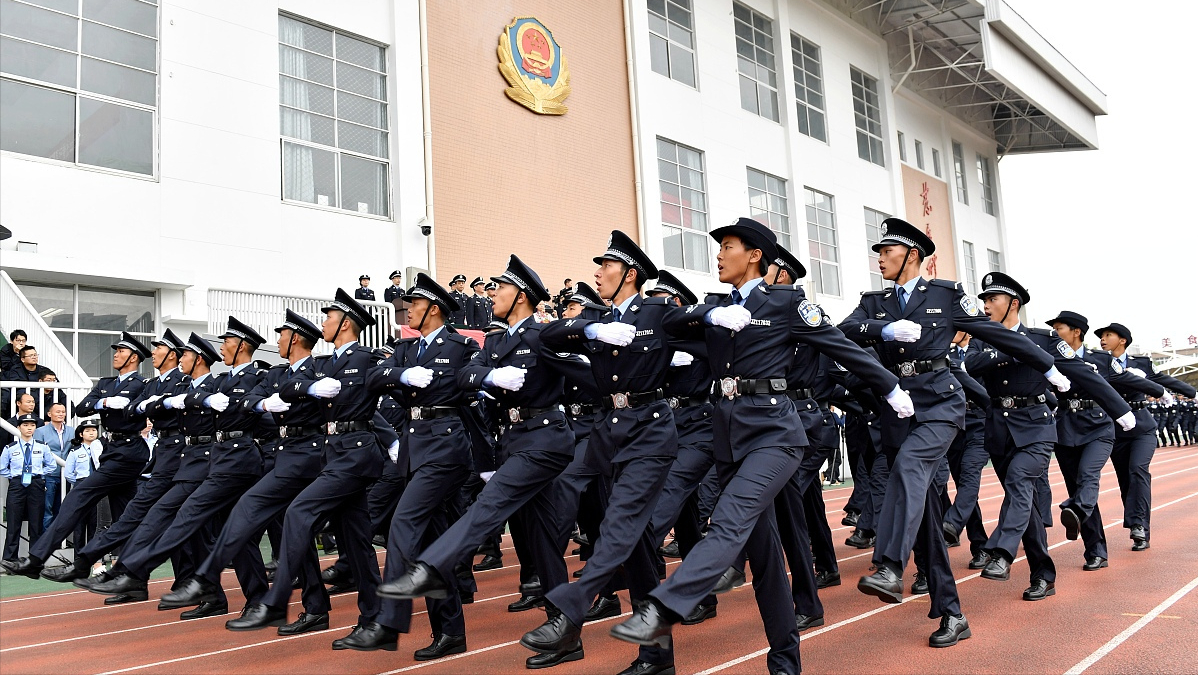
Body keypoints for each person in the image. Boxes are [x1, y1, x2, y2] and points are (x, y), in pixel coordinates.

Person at [612, 219, 911, 675]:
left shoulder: (785, 303)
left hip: (775, 435)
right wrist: (693, 318)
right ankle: (786, 660)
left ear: (754, 255)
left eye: (726, 247)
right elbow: (668, 327)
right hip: (729, 440)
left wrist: (890, 387)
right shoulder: (716, 308)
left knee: (727, 521)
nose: (717, 255)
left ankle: (665, 605)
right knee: (767, 556)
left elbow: (840, 346)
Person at [837, 218, 1068, 647]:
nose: (880, 258)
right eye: (879, 251)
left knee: (907, 469)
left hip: (940, 404)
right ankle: (953, 614)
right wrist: (881, 329)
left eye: (887, 251)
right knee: (924, 522)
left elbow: (995, 333)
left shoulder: (945, 295)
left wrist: (1048, 365)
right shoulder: (874, 303)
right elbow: (842, 330)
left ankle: (889, 565)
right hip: (898, 408)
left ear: (912, 256)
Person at [378, 255, 588, 667]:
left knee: (488, 508)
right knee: (543, 544)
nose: (493, 295)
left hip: (545, 439)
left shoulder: (543, 334)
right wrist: (488, 377)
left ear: (522, 297)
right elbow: (464, 376)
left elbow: (575, 351)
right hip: (515, 440)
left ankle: (434, 564)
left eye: (501, 289)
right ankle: (566, 632)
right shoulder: (495, 341)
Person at [228, 289, 393, 647]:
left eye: (329, 318)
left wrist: (393, 439)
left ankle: (330, 609)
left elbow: (369, 404)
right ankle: (360, 616)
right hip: (332, 454)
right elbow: (292, 387)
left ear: (345, 323)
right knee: (356, 540)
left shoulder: (365, 359)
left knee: (300, 516)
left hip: (350, 454)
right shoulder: (325, 365)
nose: (324, 323)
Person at [160, 311, 332, 631]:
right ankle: (268, 601)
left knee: (267, 531)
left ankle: (268, 600)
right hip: (242, 460)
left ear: (240, 345)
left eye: (226, 340)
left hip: (266, 461)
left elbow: (266, 419)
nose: (222, 346)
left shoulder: (263, 375)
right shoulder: (234, 381)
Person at [966, 273, 1132, 601]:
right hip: (999, 429)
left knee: (1019, 483)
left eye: (992, 300)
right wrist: (1015, 352)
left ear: (1013, 303)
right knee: (1024, 505)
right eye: (983, 300)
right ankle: (1043, 573)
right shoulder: (983, 336)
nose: (985, 306)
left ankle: (1000, 553)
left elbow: (1082, 372)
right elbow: (971, 363)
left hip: (1036, 428)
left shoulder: (1043, 339)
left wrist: (1120, 409)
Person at [87, 318, 270, 611]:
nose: (222, 346)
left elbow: (250, 414)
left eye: (184, 354)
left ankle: (258, 599)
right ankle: (212, 596)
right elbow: (180, 405)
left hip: (229, 462)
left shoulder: (248, 379)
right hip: (204, 462)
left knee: (236, 533)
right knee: (198, 529)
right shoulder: (218, 383)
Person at [365, 273, 478, 659]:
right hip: (417, 449)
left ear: (433, 309)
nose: (406, 309)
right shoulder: (406, 351)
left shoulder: (460, 346)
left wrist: (488, 461)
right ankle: (450, 632)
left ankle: (388, 621)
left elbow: (476, 395)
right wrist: (400, 374)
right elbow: (372, 377)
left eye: (413, 304)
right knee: (432, 544)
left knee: (404, 523)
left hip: (446, 448)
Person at [40, 330, 194, 589]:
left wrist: (148, 405)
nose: (154, 353)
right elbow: (92, 408)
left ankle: (106, 567)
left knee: (165, 519)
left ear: (172, 354)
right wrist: (110, 402)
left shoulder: (176, 382)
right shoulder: (151, 385)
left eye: (158, 348)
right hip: (157, 453)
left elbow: (139, 410)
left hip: (175, 452)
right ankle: (135, 580)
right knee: (143, 517)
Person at [3, 332, 151, 579]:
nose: (115, 354)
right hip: (111, 449)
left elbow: (134, 410)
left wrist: (113, 403)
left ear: (134, 357)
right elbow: (81, 408)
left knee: (78, 496)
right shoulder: (106, 383)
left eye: (121, 351)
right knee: (126, 515)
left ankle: (37, 559)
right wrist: (105, 403)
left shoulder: (142, 385)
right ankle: (131, 577)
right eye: (116, 350)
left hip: (129, 450)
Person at [1047, 310, 1164, 571]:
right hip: (1065, 427)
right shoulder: (1049, 358)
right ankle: (1096, 550)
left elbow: (1123, 380)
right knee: (1077, 486)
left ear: (1076, 332)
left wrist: (1158, 390)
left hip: (1098, 425)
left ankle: (1080, 511)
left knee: (1089, 476)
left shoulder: (1100, 360)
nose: (1055, 333)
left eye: (1060, 328)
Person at [1094, 322, 1196, 551]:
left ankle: (1139, 526)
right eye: (1101, 336)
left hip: (1142, 426)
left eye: (1108, 335)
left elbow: (1162, 380)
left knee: (1138, 470)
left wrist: (1192, 393)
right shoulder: (1099, 362)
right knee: (1125, 479)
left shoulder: (1141, 363)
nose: (1102, 339)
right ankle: (1136, 526)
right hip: (1115, 428)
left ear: (1122, 340)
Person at [2, 414, 59, 563]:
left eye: (32, 425)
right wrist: (16, 476)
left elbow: (52, 465)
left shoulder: (42, 446)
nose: (29, 428)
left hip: (36, 484)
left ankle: (35, 560)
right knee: (14, 522)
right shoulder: (10, 448)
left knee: (36, 522)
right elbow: (2, 468)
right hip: (16, 485)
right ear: (18, 427)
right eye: (25, 425)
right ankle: (9, 560)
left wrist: (38, 474)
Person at [64, 420, 103, 554]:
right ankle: (78, 556)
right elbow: (69, 473)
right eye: (87, 430)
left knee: (95, 522)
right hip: (82, 484)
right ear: (81, 434)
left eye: (93, 430)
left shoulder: (102, 449)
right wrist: (82, 483)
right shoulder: (75, 451)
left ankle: (92, 555)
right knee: (79, 524)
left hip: (98, 485)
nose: (91, 433)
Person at [33, 402, 73, 529]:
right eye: (57, 411)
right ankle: (46, 540)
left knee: (61, 508)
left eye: (63, 411)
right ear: (49, 414)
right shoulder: (40, 431)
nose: (61, 414)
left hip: (64, 474)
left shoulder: (71, 431)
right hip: (48, 475)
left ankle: (57, 538)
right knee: (47, 509)